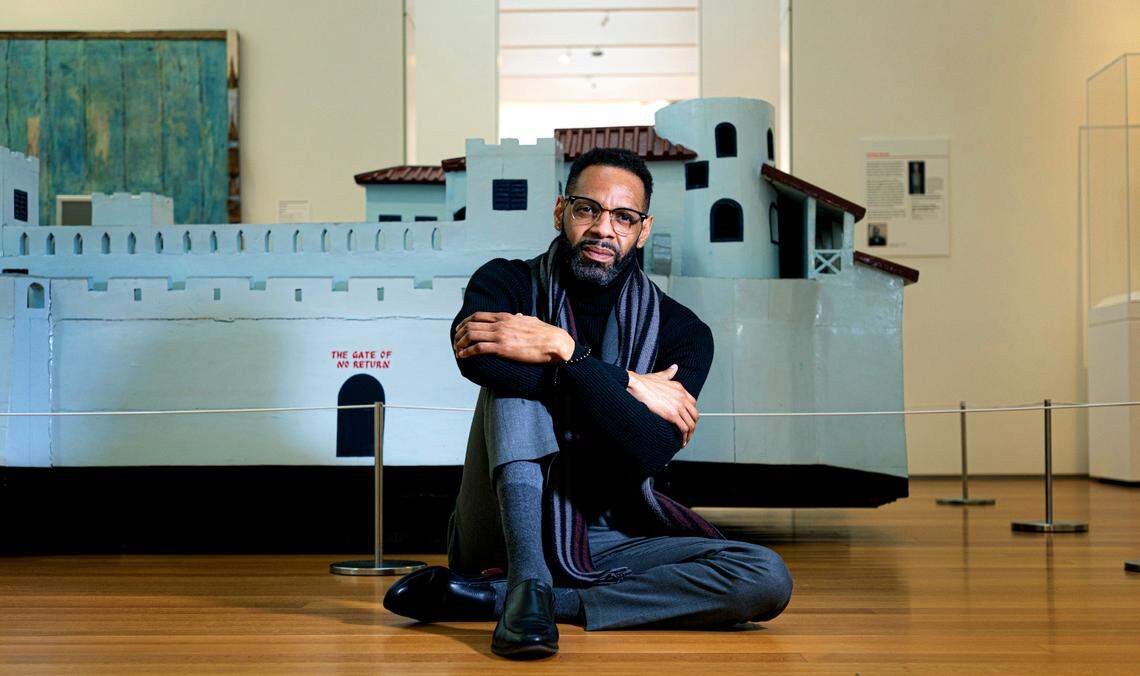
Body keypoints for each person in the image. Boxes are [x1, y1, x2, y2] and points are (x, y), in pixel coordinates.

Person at [383, 148, 792, 660]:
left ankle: (528, 600)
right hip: (499, 527)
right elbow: (481, 363)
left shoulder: (683, 331)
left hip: (608, 531)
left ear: (643, 230)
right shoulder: (506, 282)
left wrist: (564, 350)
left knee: (764, 577)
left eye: (624, 217)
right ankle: (525, 575)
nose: (604, 228)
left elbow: (650, 446)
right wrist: (629, 385)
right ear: (561, 212)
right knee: (516, 391)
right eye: (587, 209)